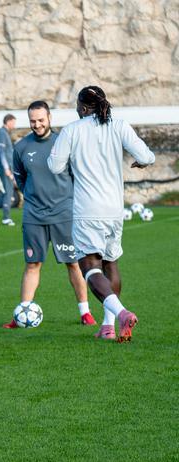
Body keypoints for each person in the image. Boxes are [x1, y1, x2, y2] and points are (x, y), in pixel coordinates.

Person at [48, 85, 155, 341]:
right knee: (111, 263)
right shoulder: (119, 125)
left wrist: (74, 160)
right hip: (115, 209)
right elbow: (147, 156)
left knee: (89, 267)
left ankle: (120, 313)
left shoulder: (73, 130)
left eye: (77, 105)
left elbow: (54, 165)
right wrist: (140, 162)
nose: (76, 109)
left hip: (88, 209)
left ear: (84, 108)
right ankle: (107, 328)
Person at [2, 100, 94, 328]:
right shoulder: (21, 147)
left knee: (73, 264)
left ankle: (85, 313)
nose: (37, 124)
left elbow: (77, 176)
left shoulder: (64, 143)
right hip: (34, 216)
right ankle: (22, 313)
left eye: (41, 120)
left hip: (64, 215)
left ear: (49, 118)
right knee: (32, 265)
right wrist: (34, 198)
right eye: (33, 121)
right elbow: (21, 179)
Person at [0, 114, 17, 226]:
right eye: (13, 122)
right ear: (8, 122)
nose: (14, 125)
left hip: (7, 168)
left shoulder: (5, 134)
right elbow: (1, 153)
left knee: (7, 192)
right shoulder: (2, 133)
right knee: (9, 192)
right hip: (4, 168)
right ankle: (6, 218)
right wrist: (6, 169)